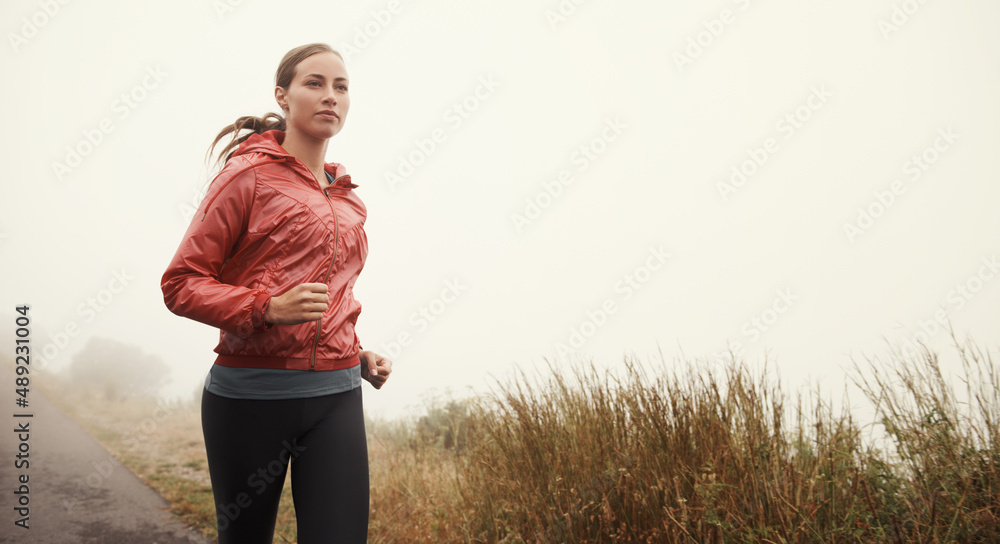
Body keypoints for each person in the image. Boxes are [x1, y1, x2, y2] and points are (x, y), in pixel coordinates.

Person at [160, 42, 391, 543]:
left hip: (336, 396)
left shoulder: (348, 199)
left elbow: (330, 296)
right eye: (315, 83)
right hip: (249, 397)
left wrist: (354, 350)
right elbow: (180, 284)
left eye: (341, 86)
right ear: (282, 97)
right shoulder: (246, 177)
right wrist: (266, 309)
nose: (330, 96)